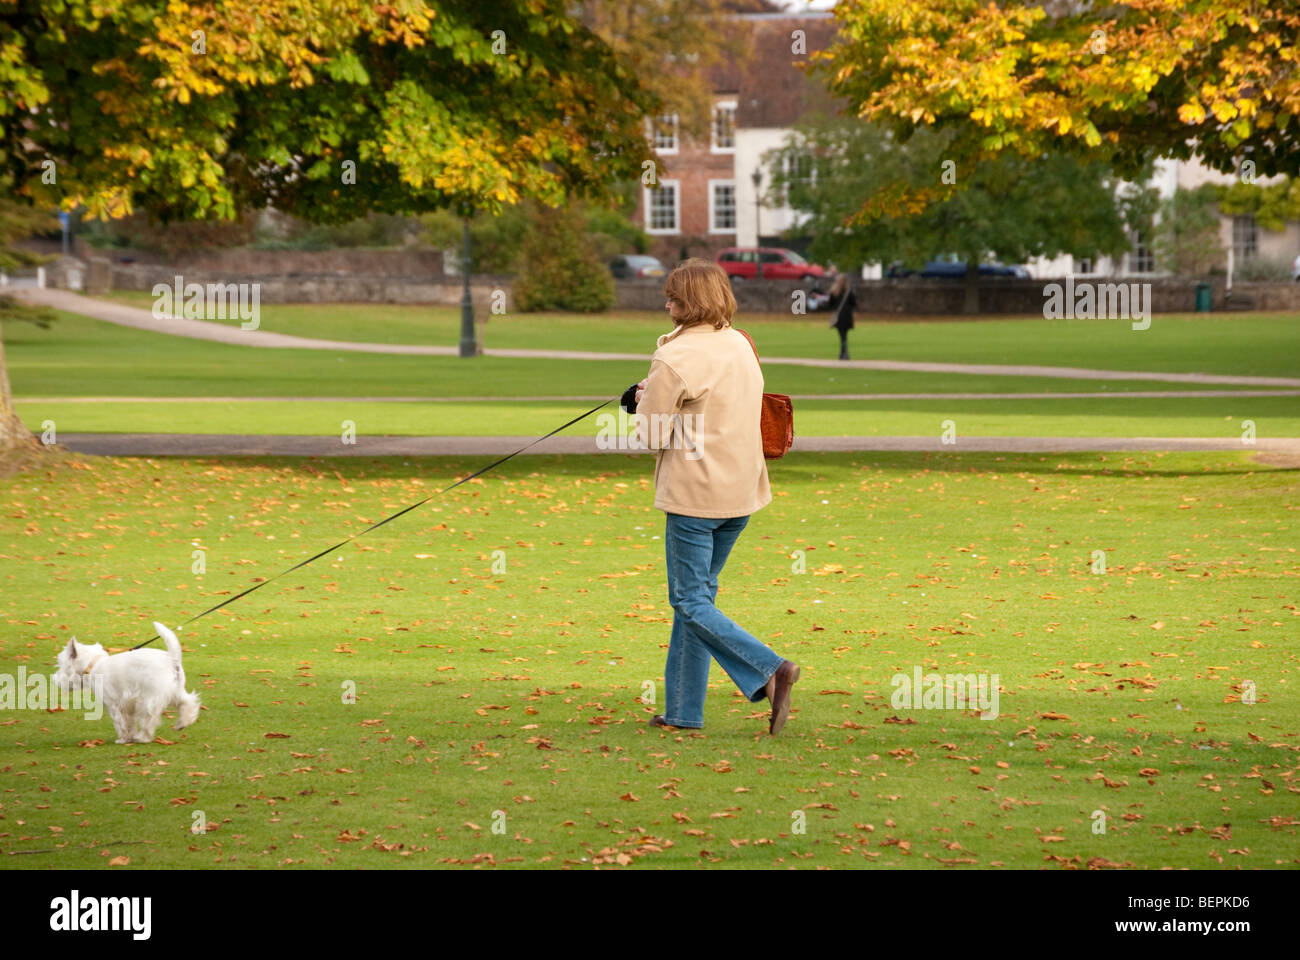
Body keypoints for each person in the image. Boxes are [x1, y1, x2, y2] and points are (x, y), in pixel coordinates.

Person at [619, 258, 800, 735]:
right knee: (697, 601)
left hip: (695, 498)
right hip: (740, 494)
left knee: (690, 601)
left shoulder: (674, 358)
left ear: (692, 302)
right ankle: (683, 711)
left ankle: (771, 669)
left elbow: (651, 436)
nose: (667, 304)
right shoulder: (739, 343)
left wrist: (642, 401)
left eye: (675, 298)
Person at [826, 271, 857, 360]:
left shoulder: (834, 291)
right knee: (844, 335)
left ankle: (844, 353)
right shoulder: (849, 291)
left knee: (842, 335)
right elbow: (854, 303)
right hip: (847, 316)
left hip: (839, 316)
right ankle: (844, 353)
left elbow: (830, 304)